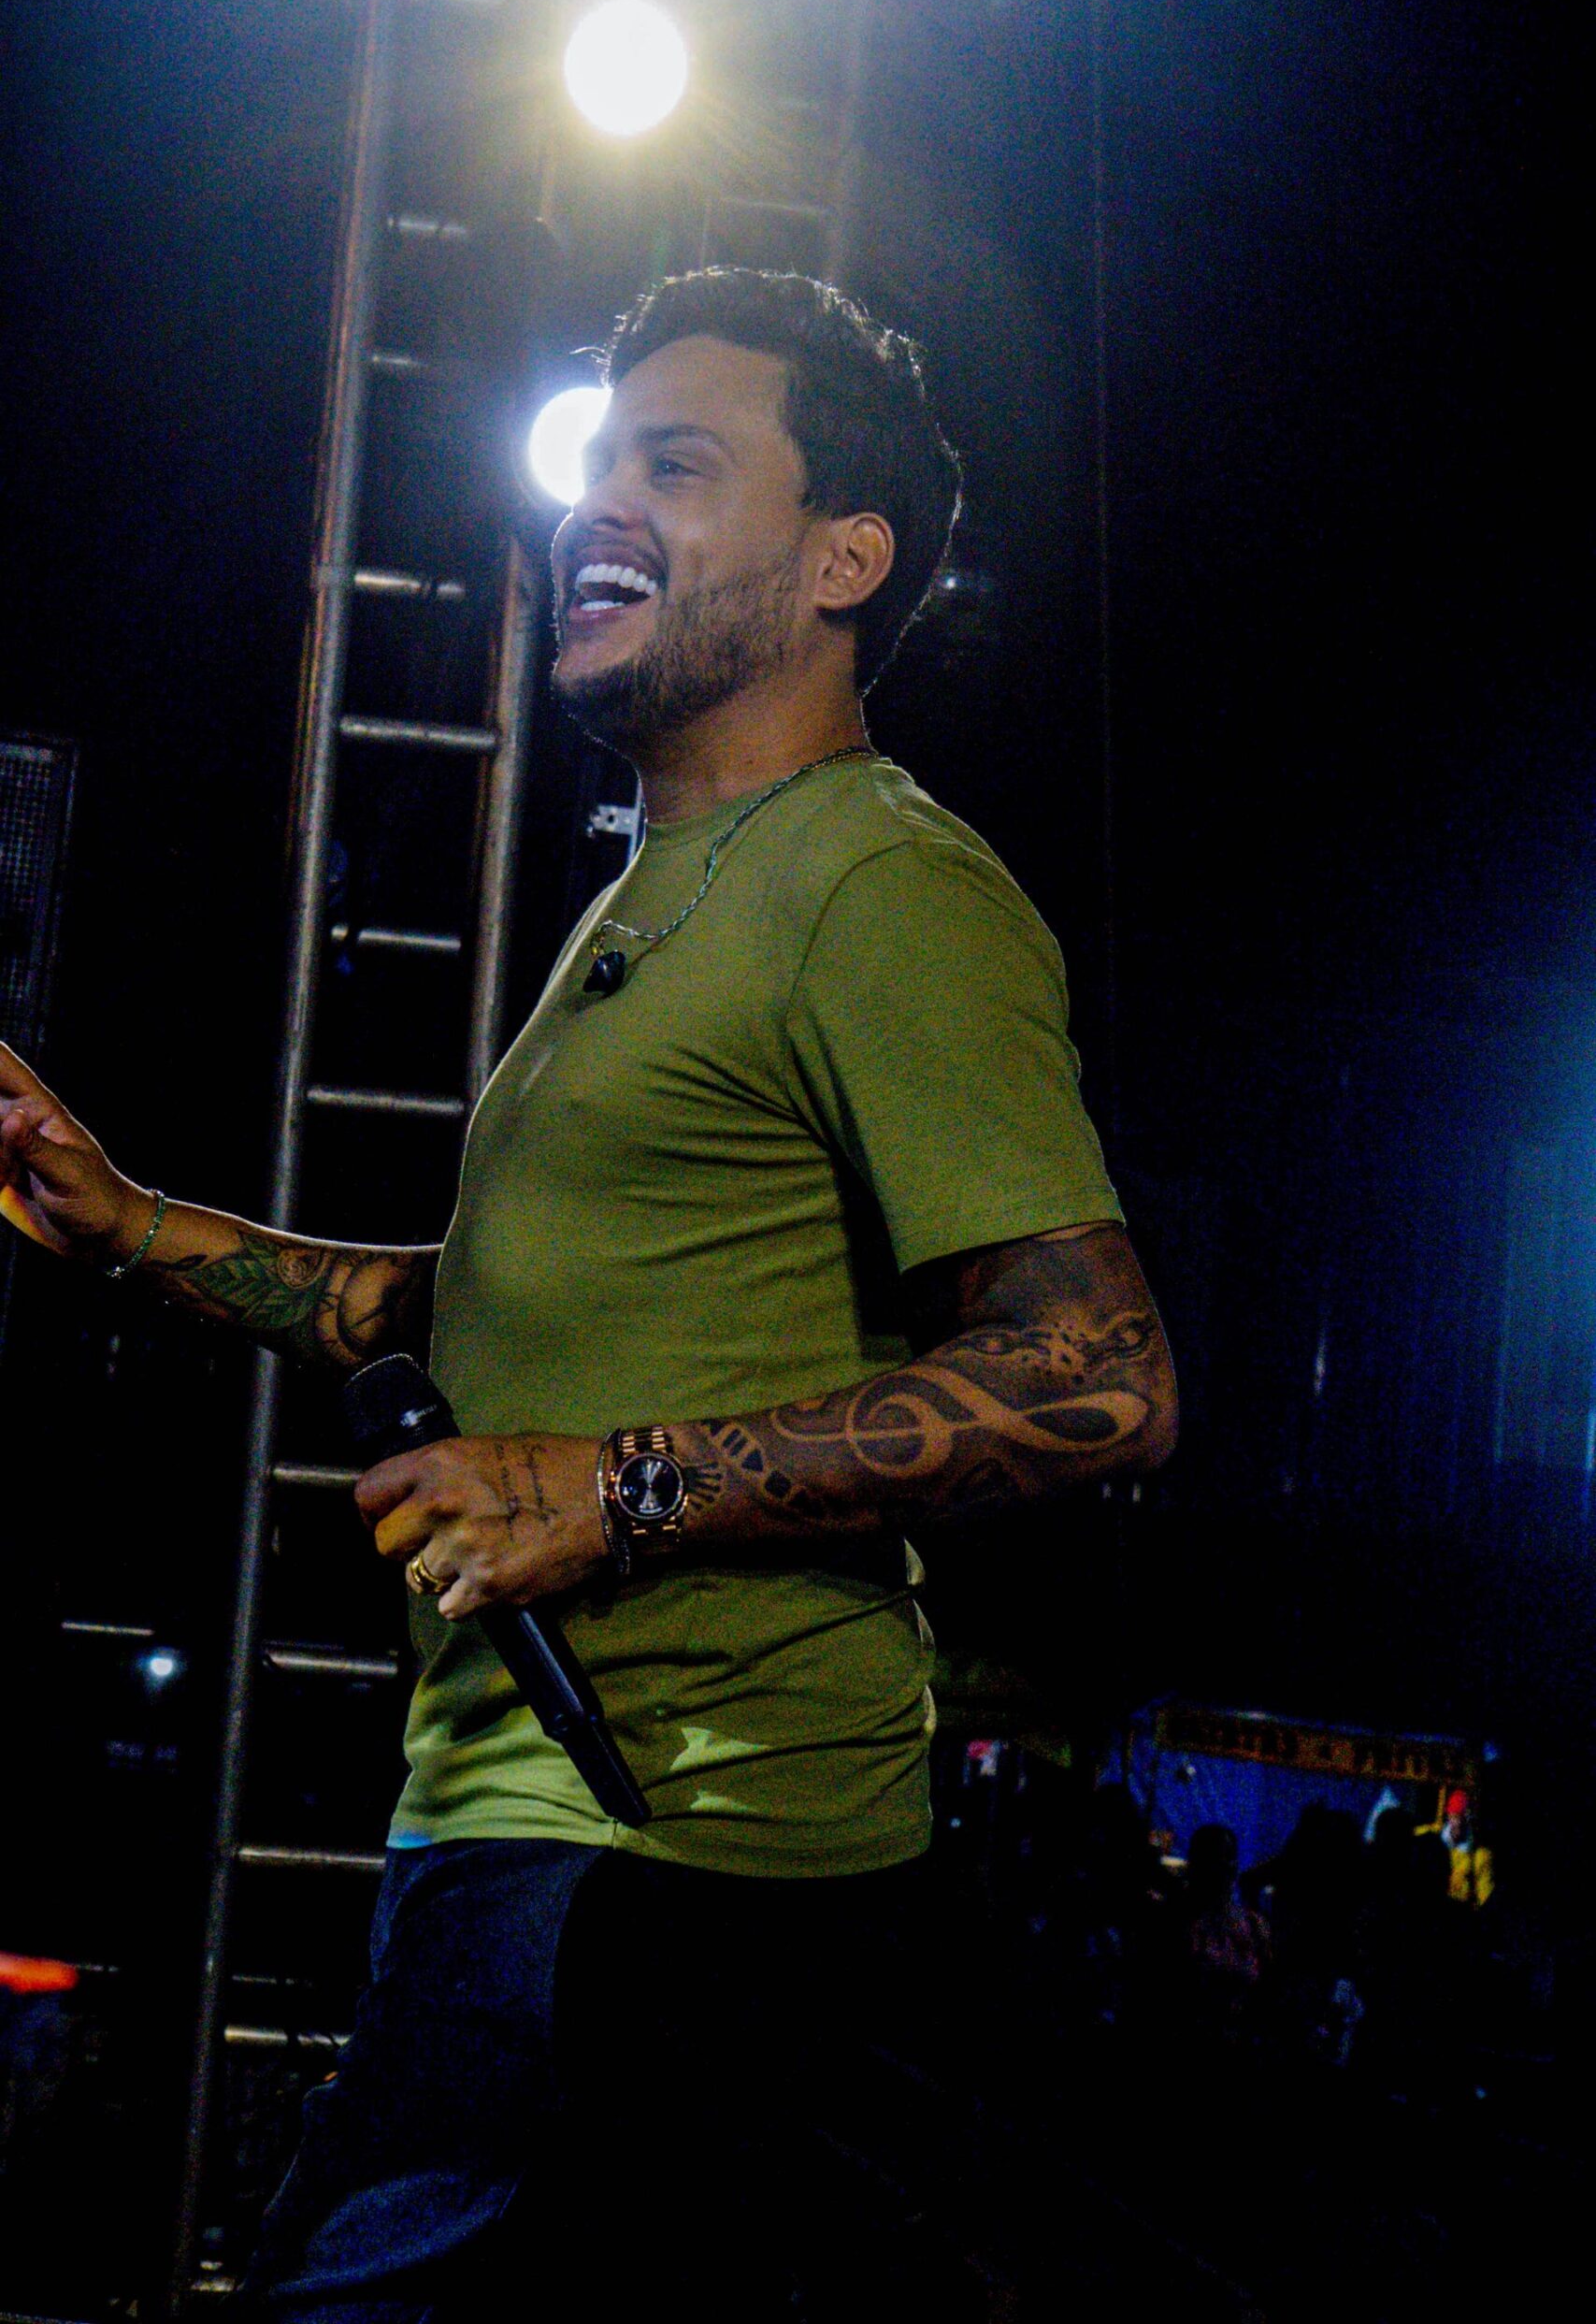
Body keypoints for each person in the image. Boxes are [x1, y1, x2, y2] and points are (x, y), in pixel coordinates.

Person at [0, 268, 1177, 2317]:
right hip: (535, 1836)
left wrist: (612, 1489)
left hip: (667, 1859)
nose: (594, 504)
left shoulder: (878, 884)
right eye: (595, 459)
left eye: (677, 463)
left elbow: (1101, 1373)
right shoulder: (664, 890)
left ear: (844, 560)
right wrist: (133, 1227)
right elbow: (471, 1319)